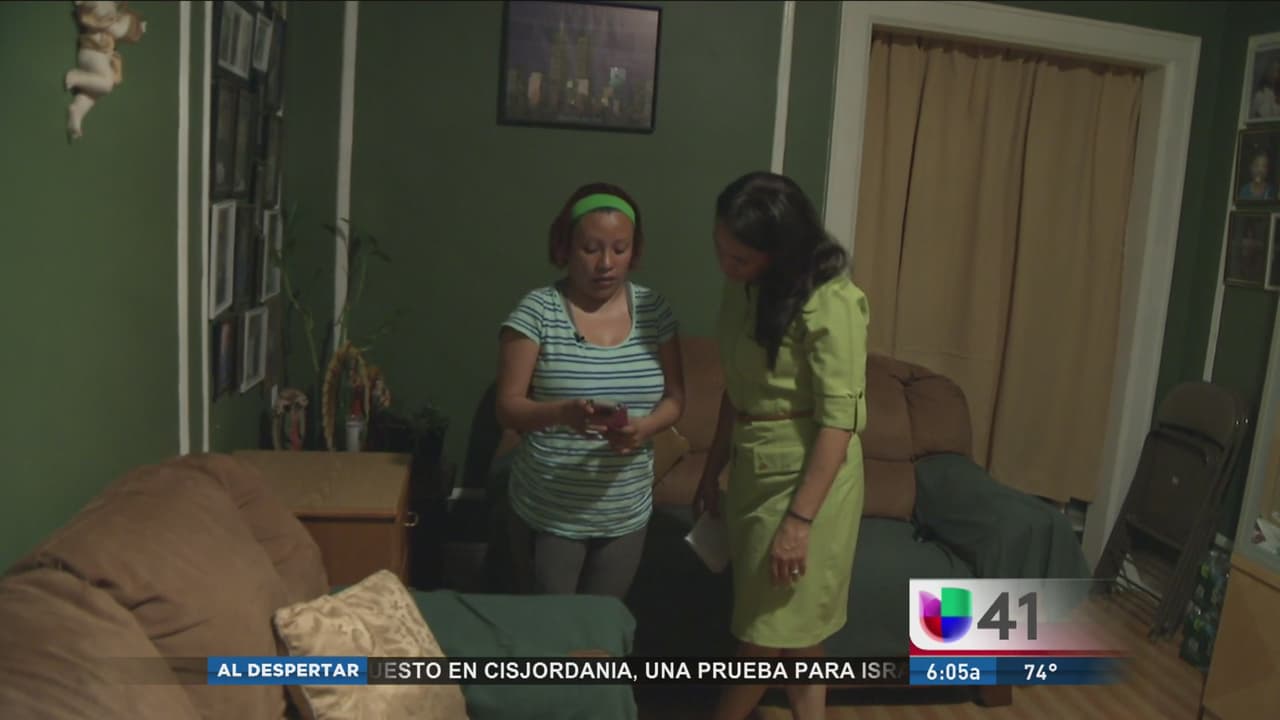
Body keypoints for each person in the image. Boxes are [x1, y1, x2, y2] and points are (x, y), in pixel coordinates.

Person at [694, 171, 869, 720]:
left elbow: (839, 423)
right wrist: (712, 469)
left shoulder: (833, 302)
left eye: (740, 258)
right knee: (796, 632)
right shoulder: (744, 287)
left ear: (782, 250)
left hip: (810, 484)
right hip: (754, 467)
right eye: (721, 250)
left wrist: (799, 521)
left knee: (765, 635)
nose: (727, 266)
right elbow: (737, 390)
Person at [495, 182, 685, 599]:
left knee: (603, 627)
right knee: (552, 629)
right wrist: (562, 413)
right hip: (551, 508)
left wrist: (645, 427)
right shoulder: (538, 310)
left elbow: (675, 399)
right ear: (566, 247)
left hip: (626, 510)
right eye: (590, 249)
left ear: (635, 251)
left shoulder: (654, 310)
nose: (606, 264)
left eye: (620, 249)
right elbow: (507, 408)